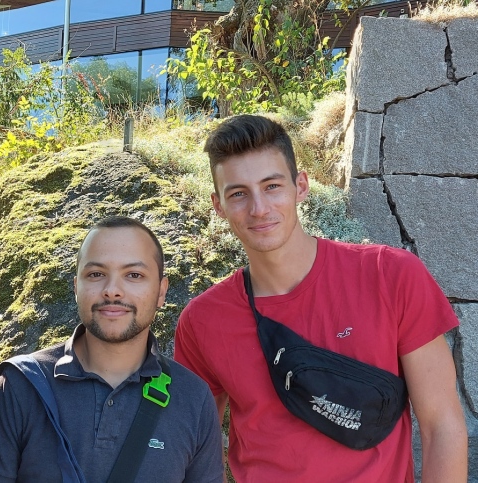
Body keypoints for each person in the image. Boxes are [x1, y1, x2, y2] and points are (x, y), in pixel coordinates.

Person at [174, 114, 468, 482]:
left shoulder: (390, 276)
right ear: (218, 206)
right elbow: (192, 448)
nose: (259, 208)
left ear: (301, 186)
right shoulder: (203, 322)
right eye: (238, 194)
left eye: (272, 186)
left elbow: (442, 425)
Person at [0, 216, 224, 483]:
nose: (112, 291)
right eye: (96, 274)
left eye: (134, 275)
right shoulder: (20, 385)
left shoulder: (193, 398)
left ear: (161, 291)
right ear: (76, 288)